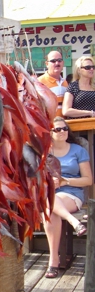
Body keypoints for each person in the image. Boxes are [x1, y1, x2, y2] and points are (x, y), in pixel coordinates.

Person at [44, 117, 91, 278]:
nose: (62, 131)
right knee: (50, 209)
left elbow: (88, 180)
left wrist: (65, 181)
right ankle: (73, 222)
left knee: (49, 206)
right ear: (50, 133)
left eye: (64, 128)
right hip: (50, 194)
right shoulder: (44, 152)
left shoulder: (78, 150)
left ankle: (53, 262)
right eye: (57, 129)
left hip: (73, 193)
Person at [38, 51, 67, 117]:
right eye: (53, 61)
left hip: (64, 124)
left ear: (63, 63)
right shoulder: (39, 83)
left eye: (59, 60)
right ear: (47, 64)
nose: (57, 63)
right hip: (49, 125)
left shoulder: (65, 83)